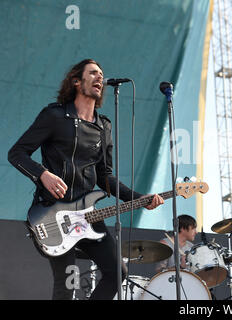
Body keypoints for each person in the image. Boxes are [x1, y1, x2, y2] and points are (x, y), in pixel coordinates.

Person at [8, 59, 165, 300]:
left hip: (87, 214)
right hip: (52, 212)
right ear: (76, 81)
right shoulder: (54, 115)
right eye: (93, 73)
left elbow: (105, 177)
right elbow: (16, 153)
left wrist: (139, 198)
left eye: (101, 74)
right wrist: (43, 174)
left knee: (117, 273)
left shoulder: (104, 127)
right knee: (67, 285)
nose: (100, 78)